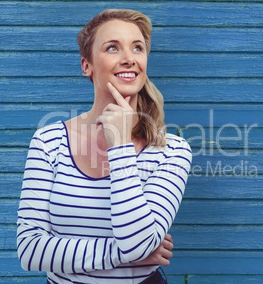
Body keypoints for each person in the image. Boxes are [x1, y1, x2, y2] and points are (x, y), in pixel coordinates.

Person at [16, 9, 192, 284]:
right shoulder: (48, 142)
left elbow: (136, 243)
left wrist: (120, 146)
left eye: (137, 48)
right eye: (112, 47)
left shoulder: (172, 151)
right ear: (87, 65)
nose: (129, 59)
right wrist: (125, 254)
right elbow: (30, 250)